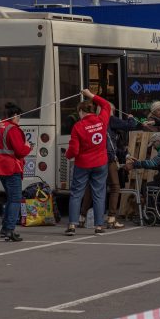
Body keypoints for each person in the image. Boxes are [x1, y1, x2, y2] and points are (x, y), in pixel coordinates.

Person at [79, 105, 139, 229]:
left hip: (94, 158)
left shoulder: (96, 121)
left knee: (92, 187)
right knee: (115, 187)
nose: (114, 111)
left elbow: (114, 143)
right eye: (113, 109)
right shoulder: (110, 119)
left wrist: (126, 154)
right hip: (107, 159)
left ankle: (82, 217)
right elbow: (131, 126)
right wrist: (131, 118)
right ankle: (111, 218)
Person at [64, 88, 111, 236]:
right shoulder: (102, 120)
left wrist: (67, 155)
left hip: (83, 164)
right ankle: (98, 226)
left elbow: (74, 151)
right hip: (101, 163)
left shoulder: (78, 126)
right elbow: (106, 106)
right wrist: (91, 95)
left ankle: (72, 224)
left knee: (76, 194)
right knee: (99, 194)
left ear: (81, 112)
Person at [0, 102, 31, 242]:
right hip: (11, 168)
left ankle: (5, 229)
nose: (19, 119)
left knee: (10, 198)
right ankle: (10, 230)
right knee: (15, 199)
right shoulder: (12, 129)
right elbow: (20, 151)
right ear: (14, 115)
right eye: (19, 116)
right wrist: (28, 147)